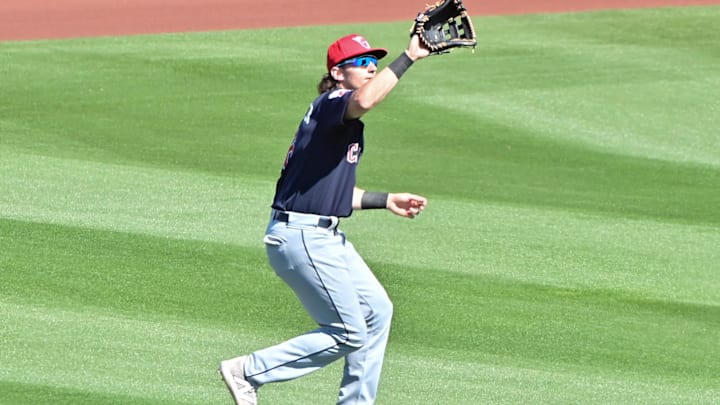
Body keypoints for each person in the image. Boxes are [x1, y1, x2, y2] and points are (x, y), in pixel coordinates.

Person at [219, 31, 431, 405]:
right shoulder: (333, 102)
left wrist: (386, 200)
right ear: (337, 72)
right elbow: (365, 99)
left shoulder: (338, 125)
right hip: (301, 237)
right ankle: (248, 371)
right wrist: (408, 56)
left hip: (322, 234)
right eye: (362, 63)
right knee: (349, 332)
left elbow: (327, 195)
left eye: (374, 63)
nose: (370, 69)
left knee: (378, 312)